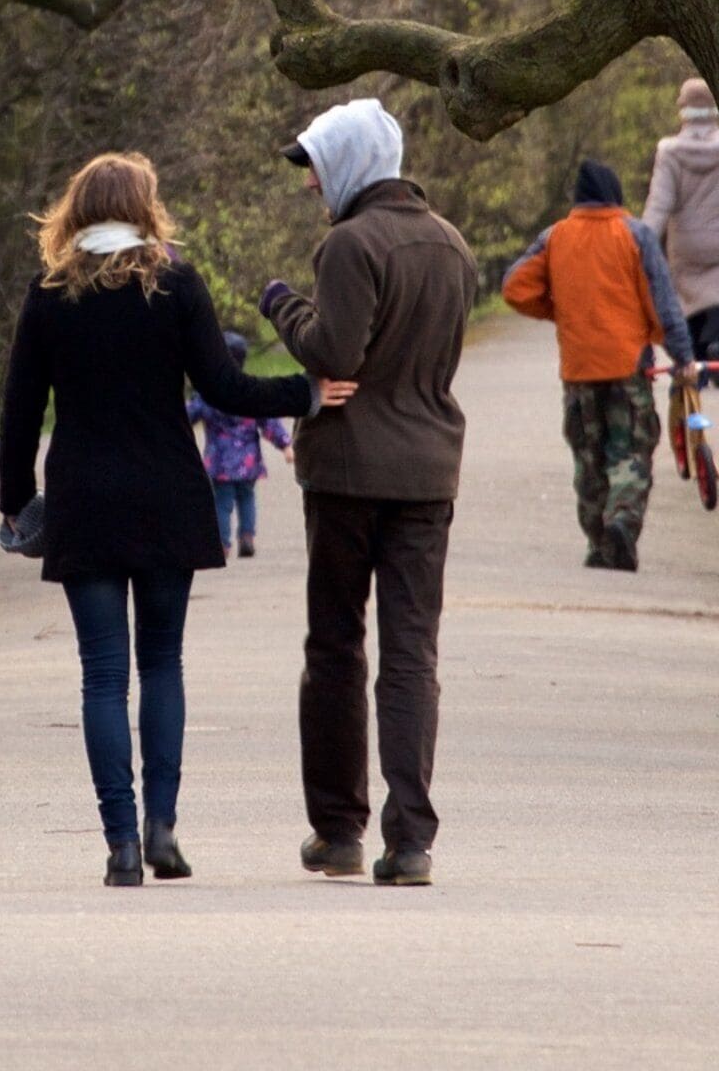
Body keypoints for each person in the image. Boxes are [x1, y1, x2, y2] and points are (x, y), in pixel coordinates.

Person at [0, 152, 325, 888]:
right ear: (145, 208)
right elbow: (225, 387)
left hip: (84, 500)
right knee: (162, 663)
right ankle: (162, 827)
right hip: (168, 497)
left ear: (76, 211)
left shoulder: (51, 292)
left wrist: (15, 501)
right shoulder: (175, 285)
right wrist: (305, 394)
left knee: (103, 676)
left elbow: (20, 412)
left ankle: (119, 843)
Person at [260, 98, 475, 890]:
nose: (312, 183)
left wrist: (283, 303)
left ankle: (339, 829)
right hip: (428, 473)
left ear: (351, 161)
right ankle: (412, 840)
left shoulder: (351, 246)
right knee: (412, 652)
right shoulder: (451, 245)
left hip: (348, 474)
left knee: (337, 648)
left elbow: (334, 353)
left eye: (315, 165)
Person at [502, 160, 694, 571]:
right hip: (629, 367)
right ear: (615, 193)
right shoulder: (635, 234)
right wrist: (682, 355)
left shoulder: (555, 236)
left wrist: (559, 311)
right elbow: (662, 301)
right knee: (629, 451)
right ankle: (622, 521)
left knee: (588, 458)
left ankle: (597, 542)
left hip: (578, 370)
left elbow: (515, 286)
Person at [643, 79, 719, 388]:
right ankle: (716, 347)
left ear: (682, 110)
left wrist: (640, 244)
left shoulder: (669, 152)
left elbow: (659, 204)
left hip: (685, 246)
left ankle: (697, 361)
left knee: (689, 303)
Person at [189, 339, 292, 560]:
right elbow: (268, 421)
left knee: (222, 503)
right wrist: (285, 445)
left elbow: (189, 414)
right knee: (246, 499)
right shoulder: (250, 390)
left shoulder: (208, 392)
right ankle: (247, 537)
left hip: (220, 462)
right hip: (248, 462)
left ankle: (223, 543)